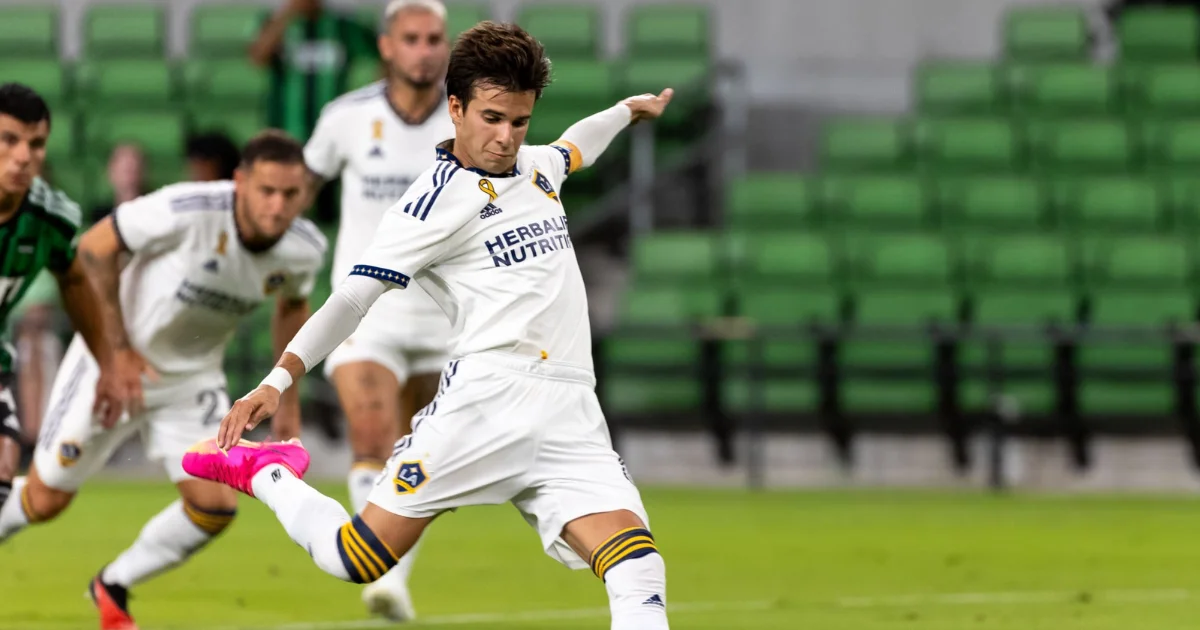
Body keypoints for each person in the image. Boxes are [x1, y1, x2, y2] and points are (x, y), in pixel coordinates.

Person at [185, 22, 674, 630]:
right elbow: (351, 300)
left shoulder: (538, 167)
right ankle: (267, 472)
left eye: (519, 122)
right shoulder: (430, 205)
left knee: (638, 568)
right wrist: (277, 381)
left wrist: (628, 110)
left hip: (571, 410)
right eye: (492, 118)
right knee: (355, 558)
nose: (506, 138)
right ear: (456, 108)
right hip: (485, 402)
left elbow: (578, 143)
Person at [0, 131, 326, 630]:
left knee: (213, 508)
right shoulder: (187, 209)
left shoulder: (304, 248)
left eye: (290, 194)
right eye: (267, 191)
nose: (278, 206)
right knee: (45, 500)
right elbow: (92, 249)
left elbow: (293, 307)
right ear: (239, 183)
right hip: (109, 365)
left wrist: (288, 400)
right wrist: (118, 354)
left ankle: (112, 584)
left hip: (190, 381)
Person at [302, 0, 453, 619]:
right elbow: (300, 190)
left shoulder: (469, 119)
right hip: (367, 313)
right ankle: (380, 570)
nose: (424, 49)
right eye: (411, 38)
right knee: (371, 433)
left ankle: (390, 578)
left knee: (418, 455)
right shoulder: (346, 118)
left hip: (447, 318)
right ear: (387, 46)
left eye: (434, 38)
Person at [0, 83, 136, 536]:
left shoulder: (52, 218)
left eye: (35, 144)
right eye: (9, 140)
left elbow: (75, 282)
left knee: (5, 470)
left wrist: (109, 367)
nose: (23, 156)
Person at [90, 143, 147, 224]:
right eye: (125, 171)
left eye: (135, 170)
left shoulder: (155, 212)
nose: (130, 178)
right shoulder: (99, 216)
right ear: (111, 173)